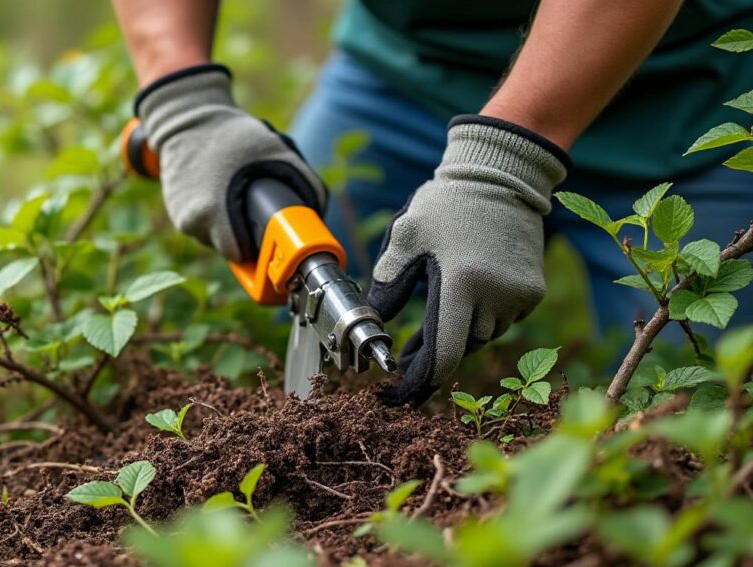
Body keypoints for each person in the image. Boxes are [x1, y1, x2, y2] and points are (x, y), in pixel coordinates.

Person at [111, 0, 753, 406]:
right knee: (299, 293)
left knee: (691, 406)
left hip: (686, 93)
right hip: (410, 74)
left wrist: (504, 167)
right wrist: (180, 97)